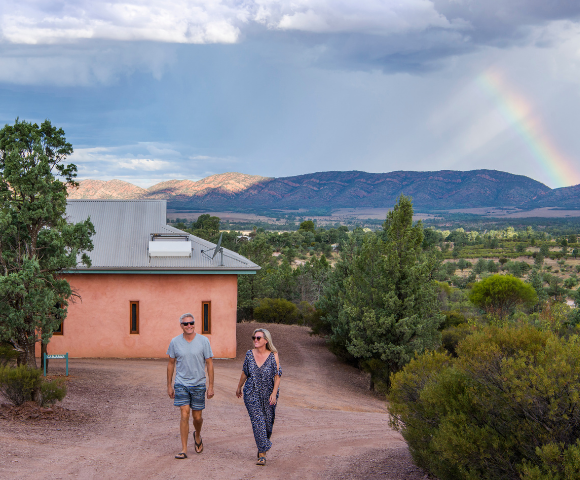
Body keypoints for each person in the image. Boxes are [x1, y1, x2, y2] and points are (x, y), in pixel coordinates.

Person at [167, 313, 214, 459]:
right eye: (185, 323)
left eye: (191, 323)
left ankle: (197, 434)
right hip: (181, 383)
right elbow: (170, 364)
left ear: (194, 324)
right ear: (181, 325)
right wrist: (169, 385)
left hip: (199, 384)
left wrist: (211, 386)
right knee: (184, 413)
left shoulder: (203, 341)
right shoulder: (175, 342)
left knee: (197, 417)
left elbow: (210, 364)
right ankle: (184, 449)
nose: (189, 326)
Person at [236, 328, 282, 466]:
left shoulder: (274, 355)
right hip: (252, 392)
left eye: (258, 338)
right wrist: (239, 387)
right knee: (258, 422)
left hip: (269, 394)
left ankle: (262, 444)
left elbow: (277, 375)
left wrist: (274, 393)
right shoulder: (249, 354)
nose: (255, 340)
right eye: (254, 338)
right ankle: (262, 454)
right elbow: (245, 372)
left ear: (266, 341)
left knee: (267, 424)